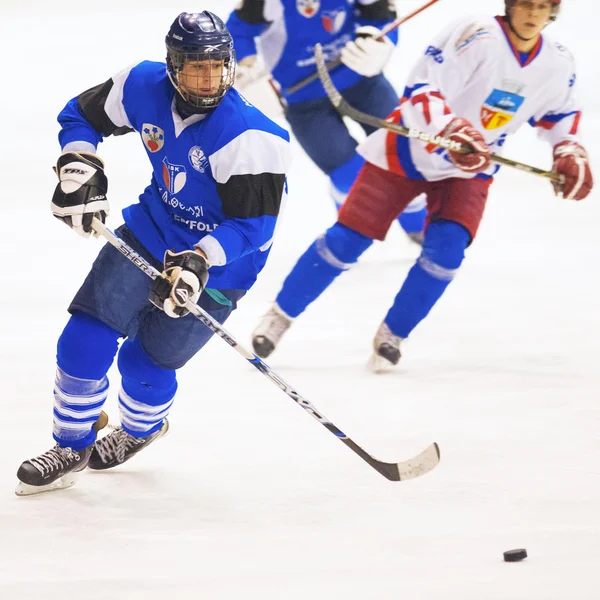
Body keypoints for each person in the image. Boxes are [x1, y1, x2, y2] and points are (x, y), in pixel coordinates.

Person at [15, 11, 291, 495]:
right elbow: (80, 115)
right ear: (171, 65)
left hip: (224, 267)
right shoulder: (142, 84)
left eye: (217, 66)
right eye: (194, 67)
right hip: (152, 230)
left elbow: (254, 229)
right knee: (85, 335)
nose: (207, 79)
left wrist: (201, 260)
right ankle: (70, 444)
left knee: (146, 364)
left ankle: (142, 430)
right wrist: (79, 165)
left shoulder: (253, 136)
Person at [250, 0, 593, 369]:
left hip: (469, 166)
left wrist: (568, 149)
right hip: (409, 150)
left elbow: (560, 114)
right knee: (347, 240)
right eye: (526, 3)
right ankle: (280, 315)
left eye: (543, 6)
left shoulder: (557, 61)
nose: (532, 14)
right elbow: (422, 87)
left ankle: (393, 334)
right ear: (510, 5)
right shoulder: (476, 34)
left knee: (446, 253)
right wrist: (451, 128)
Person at [226, 0, 427, 242]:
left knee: (403, 154)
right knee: (350, 174)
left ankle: (420, 225)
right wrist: (245, 69)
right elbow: (237, 32)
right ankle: (353, 222)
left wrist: (381, 41)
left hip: (362, 80)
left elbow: (381, 12)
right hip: (304, 100)